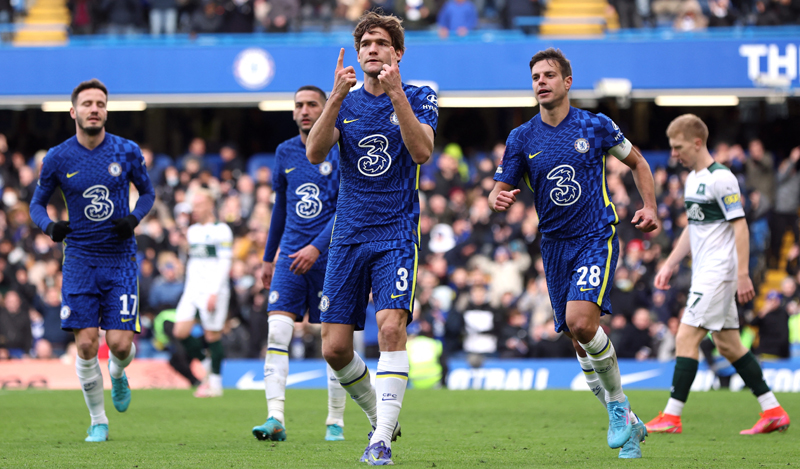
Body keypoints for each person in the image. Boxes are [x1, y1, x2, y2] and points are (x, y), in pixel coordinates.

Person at [489, 48, 658, 459]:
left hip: (595, 236)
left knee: (580, 321)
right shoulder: (521, 138)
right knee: (580, 345)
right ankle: (631, 424)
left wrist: (650, 206)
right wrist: (498, 196)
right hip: (554, 246)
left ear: (567, 82)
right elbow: (500, 186)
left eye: (549, 75)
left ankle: (617, 407)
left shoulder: (595, 125)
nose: (541, 81)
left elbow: (638, 163)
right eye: (535, 77)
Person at [306, 10, 437, 465]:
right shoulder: (345, 99)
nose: (372, 49)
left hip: (396, 231)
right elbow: (315, 151)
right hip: (348, 233)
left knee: (389, 327)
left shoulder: (420, 95)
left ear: (398, 52)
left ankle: (380, 439)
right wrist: (335, 99)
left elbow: (421, 152)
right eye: (365, 44)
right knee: (335, 348)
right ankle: (382, 417)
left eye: (381, 43)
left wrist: (397, 92)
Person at [645, 114, 790, 435]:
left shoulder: (721, 178)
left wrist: (742, 274)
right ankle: (773, 410)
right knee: (729, 345)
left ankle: (672, 416)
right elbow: (693, 228)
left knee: (686, 336)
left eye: (678, 146)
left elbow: (740, 225)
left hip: (719, 273)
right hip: (705, 272)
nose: (674, 153)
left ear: (697, 143)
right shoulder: (692, 179)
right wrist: (670, 263)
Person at [29, 79, 155, 442]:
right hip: (80, 259)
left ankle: (118, 371)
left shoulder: (126, 151)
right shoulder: (57, 156)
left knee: (119, 344)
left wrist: (133, 218)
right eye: (87, 104)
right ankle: (98, 420)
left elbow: (147, 193)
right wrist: (49, 226)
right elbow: (37, 203)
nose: (94, 108)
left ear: (106, 110)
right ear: (74, 111)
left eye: (100, 103)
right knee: (85, 344)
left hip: (120, 260)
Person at [251, 85, 345, 442]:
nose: (305, 110)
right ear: (292, 112)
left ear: (326, 108)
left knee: (332, 343)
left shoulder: (339, 150)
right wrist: (267, 256)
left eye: (312, 105)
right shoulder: (284, 151)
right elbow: (281, 207)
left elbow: (345, 207)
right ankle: (275, 417)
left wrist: (317, 248)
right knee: (277, 331)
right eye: (299, 105)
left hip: (331, 258)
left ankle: (334, 420)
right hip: (289, 257)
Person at [173, 189, 233, 398]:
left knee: (212, 334)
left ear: (210, 205)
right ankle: (208, 366)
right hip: (192, 289)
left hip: (212, 289)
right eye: (194, 205)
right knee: (180, 330)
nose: (195, 209)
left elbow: (225, 262)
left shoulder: (222, 230)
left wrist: (214, 292)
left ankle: (215, 384)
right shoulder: (192, 231)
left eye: (199, 204)